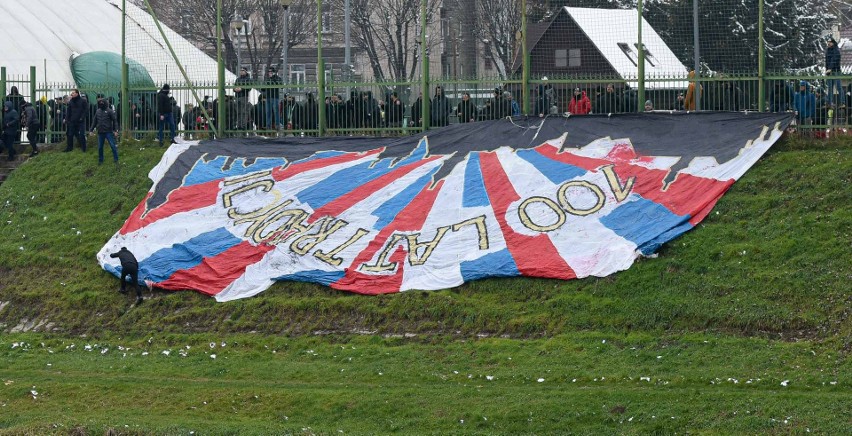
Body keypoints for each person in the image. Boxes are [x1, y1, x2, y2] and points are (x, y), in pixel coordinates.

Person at [92, 98, 119, 166]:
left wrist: (116, 130)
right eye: (100, 103)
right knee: (100, 147)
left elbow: (115, 121)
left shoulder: (109, 111)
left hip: (108, 132)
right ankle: (100, 160)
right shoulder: (98, 111)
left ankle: (116, 160)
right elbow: (94, 121)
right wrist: (91, 130)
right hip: (100, 132)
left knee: (113, 146)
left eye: (102, 103)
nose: (101, 104)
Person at [234, 67, 252, 131]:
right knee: (238, 112)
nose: (241, 72)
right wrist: (235, 89)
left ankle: (243, 125)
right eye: (241, 70)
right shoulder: (237, 79)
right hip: (237, 96)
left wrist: (241, 89)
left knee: (243, 112)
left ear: (246, 72)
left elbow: (249, 88)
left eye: (243, 70)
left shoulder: (248, 79)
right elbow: (234, 87)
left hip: (244, 97)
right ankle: (238, 125)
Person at [825, 37, 842, 107]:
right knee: (830, 88)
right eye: (828, 42)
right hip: (829, 71)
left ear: (833, 42)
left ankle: (842, 102)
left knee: (838, 87)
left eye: (830, 42)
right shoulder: (828, 50)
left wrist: (830, 69)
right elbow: (827, 61)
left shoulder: (836, 50)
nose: (828, 43)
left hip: (835, 71)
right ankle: (830, 102)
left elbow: (834, 60)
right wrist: (826, 70)